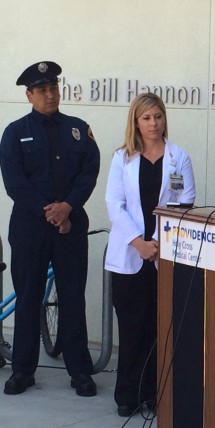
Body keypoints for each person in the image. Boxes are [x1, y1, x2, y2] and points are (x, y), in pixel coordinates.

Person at [0, 61, 100, 396]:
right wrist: (51, 212)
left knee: (72, 298)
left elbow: (89, 170)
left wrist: (68, 207)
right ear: (29, 95)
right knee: (29, 298)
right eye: (41, 90)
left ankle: (80, 371)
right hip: (30, 228)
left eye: (53, 88)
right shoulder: (14, 132)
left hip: (70, 226)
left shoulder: (77, 128)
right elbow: (14, 183)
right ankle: (23, 370)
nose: (49, 94)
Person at [104, 93, 195, 416]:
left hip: (162, 255)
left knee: (160, 328)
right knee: (131, 328)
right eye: (147, 118)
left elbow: (183, 202)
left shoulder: (177, 158)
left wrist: (155, 241)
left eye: (158, 116)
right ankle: (128, 395)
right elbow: (115, 205)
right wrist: (139, 242)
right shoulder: (122, 158)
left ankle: (155, 394)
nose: (153, 123)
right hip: (130, 255)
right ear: (136, 122)